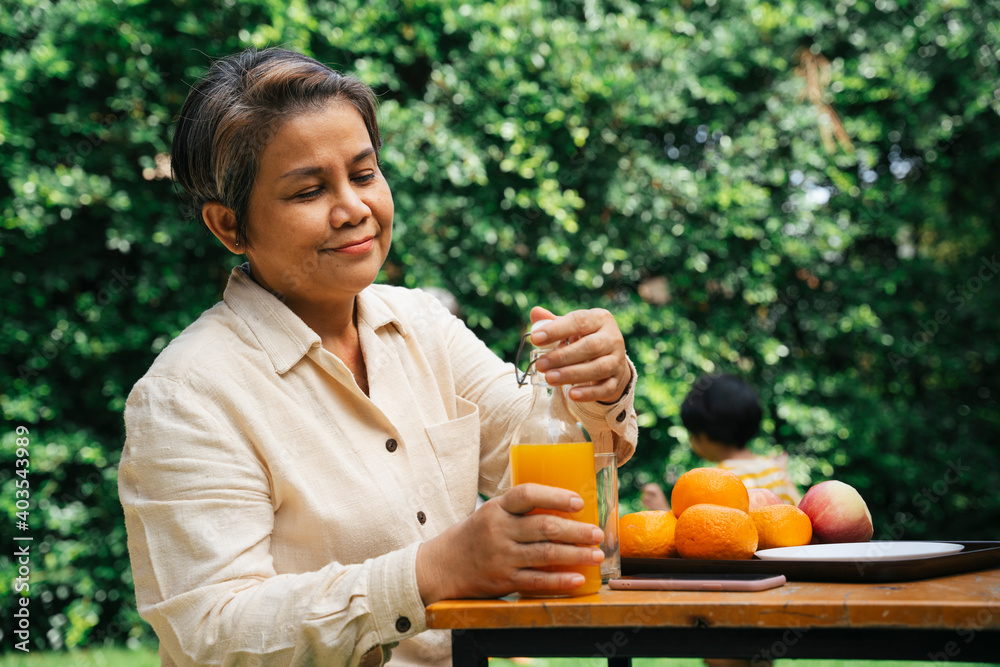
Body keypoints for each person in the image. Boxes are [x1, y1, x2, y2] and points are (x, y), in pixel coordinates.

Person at [118, 47, 637, 667]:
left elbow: (551, 461)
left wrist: (597, 384)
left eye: (364, 175)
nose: (354, 208)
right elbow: (214, 633)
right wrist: (431, 570)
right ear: (229, 226)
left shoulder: (420, 324)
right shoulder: (186, 395)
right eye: (309, 190)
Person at [642, 374, 800, 511]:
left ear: (702, 435)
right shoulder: (776, 471)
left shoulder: (715, 483)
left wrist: (662, 510)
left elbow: (702, 533)